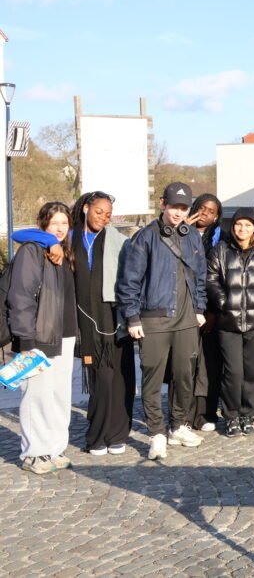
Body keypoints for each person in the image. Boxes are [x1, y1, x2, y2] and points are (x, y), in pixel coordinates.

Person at [13, 192, 136, 457]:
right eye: (99, 211)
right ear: (86, 208)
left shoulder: (110, 240)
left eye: (108, 214)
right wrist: (50, 241)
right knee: (84, 384)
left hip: (99, 323)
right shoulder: (64, 240)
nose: (103, 217)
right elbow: (20, 235)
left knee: (103, 383)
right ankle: (80, 440)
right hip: (69, 327)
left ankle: (105, 437)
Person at [117, 182, 208, 460]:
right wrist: (132, 317)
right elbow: (129, 282)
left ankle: (178, 426)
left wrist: (199, 307)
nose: (179, 213)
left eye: (184, 208)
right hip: (153, 318)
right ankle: (156, 433)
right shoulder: (144, 237)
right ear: (162, 204)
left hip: (187, 319)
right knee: (152, 378)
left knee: (184, 376)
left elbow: (200, 275)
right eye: (174, 207)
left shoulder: (192, 237)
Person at [8, 203, 77, 474]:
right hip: (37, 336)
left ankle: (55, 448)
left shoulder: (65, 253)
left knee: (59, 395)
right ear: (43, 224)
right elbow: (20, 297)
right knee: (36, 396)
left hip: (65, 335)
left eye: (64, 223)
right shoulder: (32, 250)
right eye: (54, 223)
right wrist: (25, 340)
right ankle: (34, 453)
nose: (60, 228)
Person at [206, 208, 254, 438]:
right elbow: (211, 279)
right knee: (233, 371)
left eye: (247, 225)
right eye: (238, 224)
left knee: (253, 370)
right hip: (228, 321)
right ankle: (231, 415)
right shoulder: (221, 250)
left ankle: (248, 413)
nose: (242, 229)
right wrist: (224, 302)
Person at [187, 193, 223, 432]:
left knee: (209, 364)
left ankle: (207, 412)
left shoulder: (221, 239)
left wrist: (212, 311)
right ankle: (185, 413)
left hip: (211, 311)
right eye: (201, 208)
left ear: (217, 216)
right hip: (184, 308)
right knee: (186, 364)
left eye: (211, 211)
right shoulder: (180, 233)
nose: (205, 214)